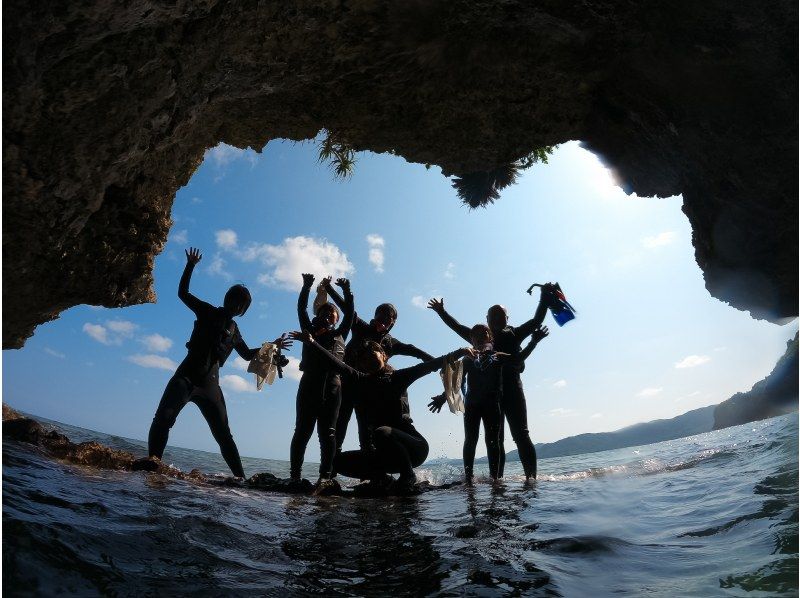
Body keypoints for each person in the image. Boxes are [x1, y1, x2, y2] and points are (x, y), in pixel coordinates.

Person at [147, 247, 291, 478]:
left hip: (211, 386)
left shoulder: (235, 331)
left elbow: (246, 354)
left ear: (244, 310)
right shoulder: (207, 311)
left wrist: (271, 347)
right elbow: (183, 293)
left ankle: (241, 480)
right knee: (163, 420)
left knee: (224, 436)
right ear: (227, 299)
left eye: (242, 306)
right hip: (186, 377)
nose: (237, 306)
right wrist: (190, 265)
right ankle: (152, 468)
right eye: (235, 301)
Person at [289, 330, 472, 492]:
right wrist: (312, 342)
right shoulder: (361, 380)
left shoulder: (398, 378)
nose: (368, 359)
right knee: (337, 461)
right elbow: (337, 364)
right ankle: (383, 480)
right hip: (386, 454)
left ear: (384, 355)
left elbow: (429, 366)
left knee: (381, 432)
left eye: (372, 353)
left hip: (414, 448)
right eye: (363, 358)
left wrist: (459, 353)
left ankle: (408, 476)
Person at [427, 287, 553, 480]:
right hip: (489, 397)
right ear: (486, 319)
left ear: (507, 319)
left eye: (500, 315)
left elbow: (536, 321)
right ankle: (497, 481)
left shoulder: (514, 334)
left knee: (521, 434)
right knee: (496, 440)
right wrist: (442, 312)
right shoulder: (478, 338)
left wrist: (544, 297)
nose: (496, 319)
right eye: (492, 316)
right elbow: (456, 326)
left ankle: (531, 479)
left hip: (512, 390)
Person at [323, 282, 433, 454]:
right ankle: (331, 470)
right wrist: (330, 290)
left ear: (392, 322)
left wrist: (436, 362)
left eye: (387, 318)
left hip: (369, 391)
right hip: (347, 383)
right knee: (340, 425)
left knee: (366, 430)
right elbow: (348, 310)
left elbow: (413, 350)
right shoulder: (361, 327)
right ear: (374, 316)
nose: (382, 320)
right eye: (379, 315)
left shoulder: (390, 342)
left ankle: (372, 475)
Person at [290, 274, 354, 488]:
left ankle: (325, 477)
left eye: (332, 313)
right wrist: (306, 287)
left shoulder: (341, 333)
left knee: (328, 434)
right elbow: (301, 310)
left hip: (334, 388)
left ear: (336, 319)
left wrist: (346, 291)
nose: (328, 314)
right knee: (302, 432)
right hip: (309, 384)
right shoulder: (310, 331)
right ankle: (295, 476)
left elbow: (350, 313)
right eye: (324, 311)